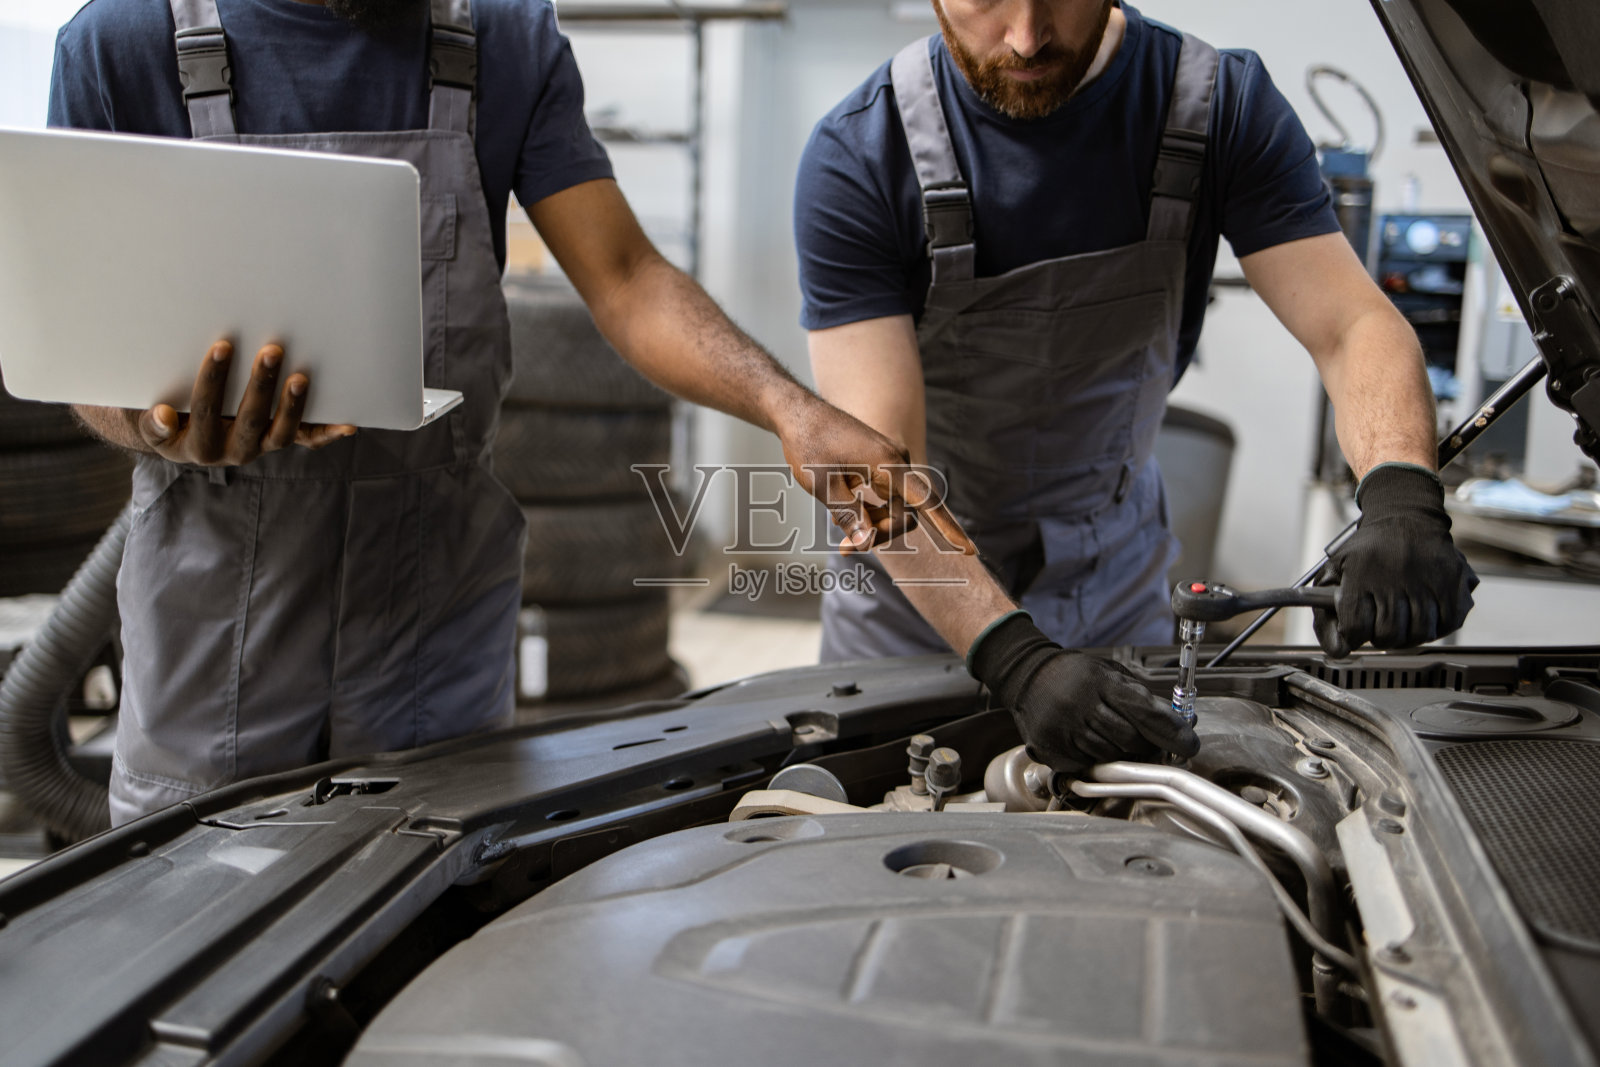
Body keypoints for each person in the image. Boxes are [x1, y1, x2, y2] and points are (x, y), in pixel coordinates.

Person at [51, 0, 967, 825]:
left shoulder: (501, 38)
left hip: (434, 613)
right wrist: (157, 426)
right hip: (213, 623)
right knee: (203, 902)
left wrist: (787, 407)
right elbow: (80, 339)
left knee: (436, 898)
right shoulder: (122, 45)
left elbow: (626, 276)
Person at [794, 0, 1477, 776]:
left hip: (1112, 583)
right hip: (915, 603)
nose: (1026, 37)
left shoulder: (1218, 110)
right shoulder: (861, 154)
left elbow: (1352, 324)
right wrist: (1016, 658)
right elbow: (880, 474)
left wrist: (1400, 491)